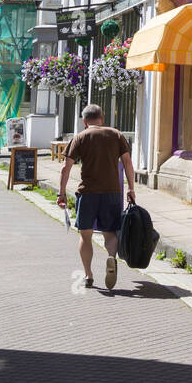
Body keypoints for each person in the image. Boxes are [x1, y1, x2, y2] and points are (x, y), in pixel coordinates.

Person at [58, 104, 135, 289]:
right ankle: (110, 257)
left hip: (88, 193)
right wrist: (131, 189)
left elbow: (66, 167)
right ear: (102, 118)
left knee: (86, 235)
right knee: (110, 232)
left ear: (84, 121)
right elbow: (127, 163)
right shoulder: (116, 134)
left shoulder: (80, 137)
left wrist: (61, 193)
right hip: (112, 193)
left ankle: (88, 275)